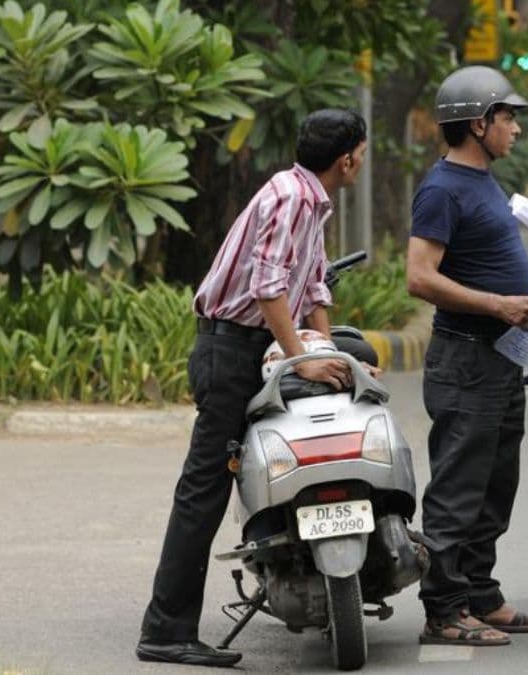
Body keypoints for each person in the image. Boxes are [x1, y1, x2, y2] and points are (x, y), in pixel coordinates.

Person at [137, 109, 371, 667]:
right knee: (204, 489)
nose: (362, 162)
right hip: (231, 352)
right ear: (346, 159)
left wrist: (330, 356)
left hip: (251, 348)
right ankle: (165, 630)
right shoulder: (291, 198)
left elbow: (311, 289)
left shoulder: (309, 199)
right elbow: (269, 289)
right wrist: (301, 362)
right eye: (362, 153)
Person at [406, 65, 528, 647]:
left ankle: (480, 594)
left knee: (495, 483)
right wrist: (497, 304)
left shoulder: (483, 180)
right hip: (465, 360)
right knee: (459, 487)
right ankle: (443, 609)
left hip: (499, 360)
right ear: (477, 123)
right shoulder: (442, 189)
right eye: (507, 117)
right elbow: (419, 277)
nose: (516, 128)